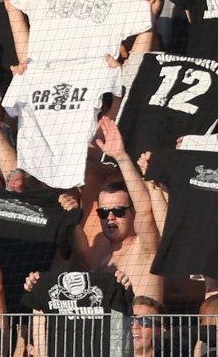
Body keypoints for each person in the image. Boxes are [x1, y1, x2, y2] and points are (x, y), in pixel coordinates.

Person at [91, 117, 163, 302]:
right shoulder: (102, 262)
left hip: (144, 328)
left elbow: (145, 211)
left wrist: (121, 157)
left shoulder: (145, 248)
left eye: (119, 211)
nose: (111, 218)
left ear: (132, 213)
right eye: (104, 213)